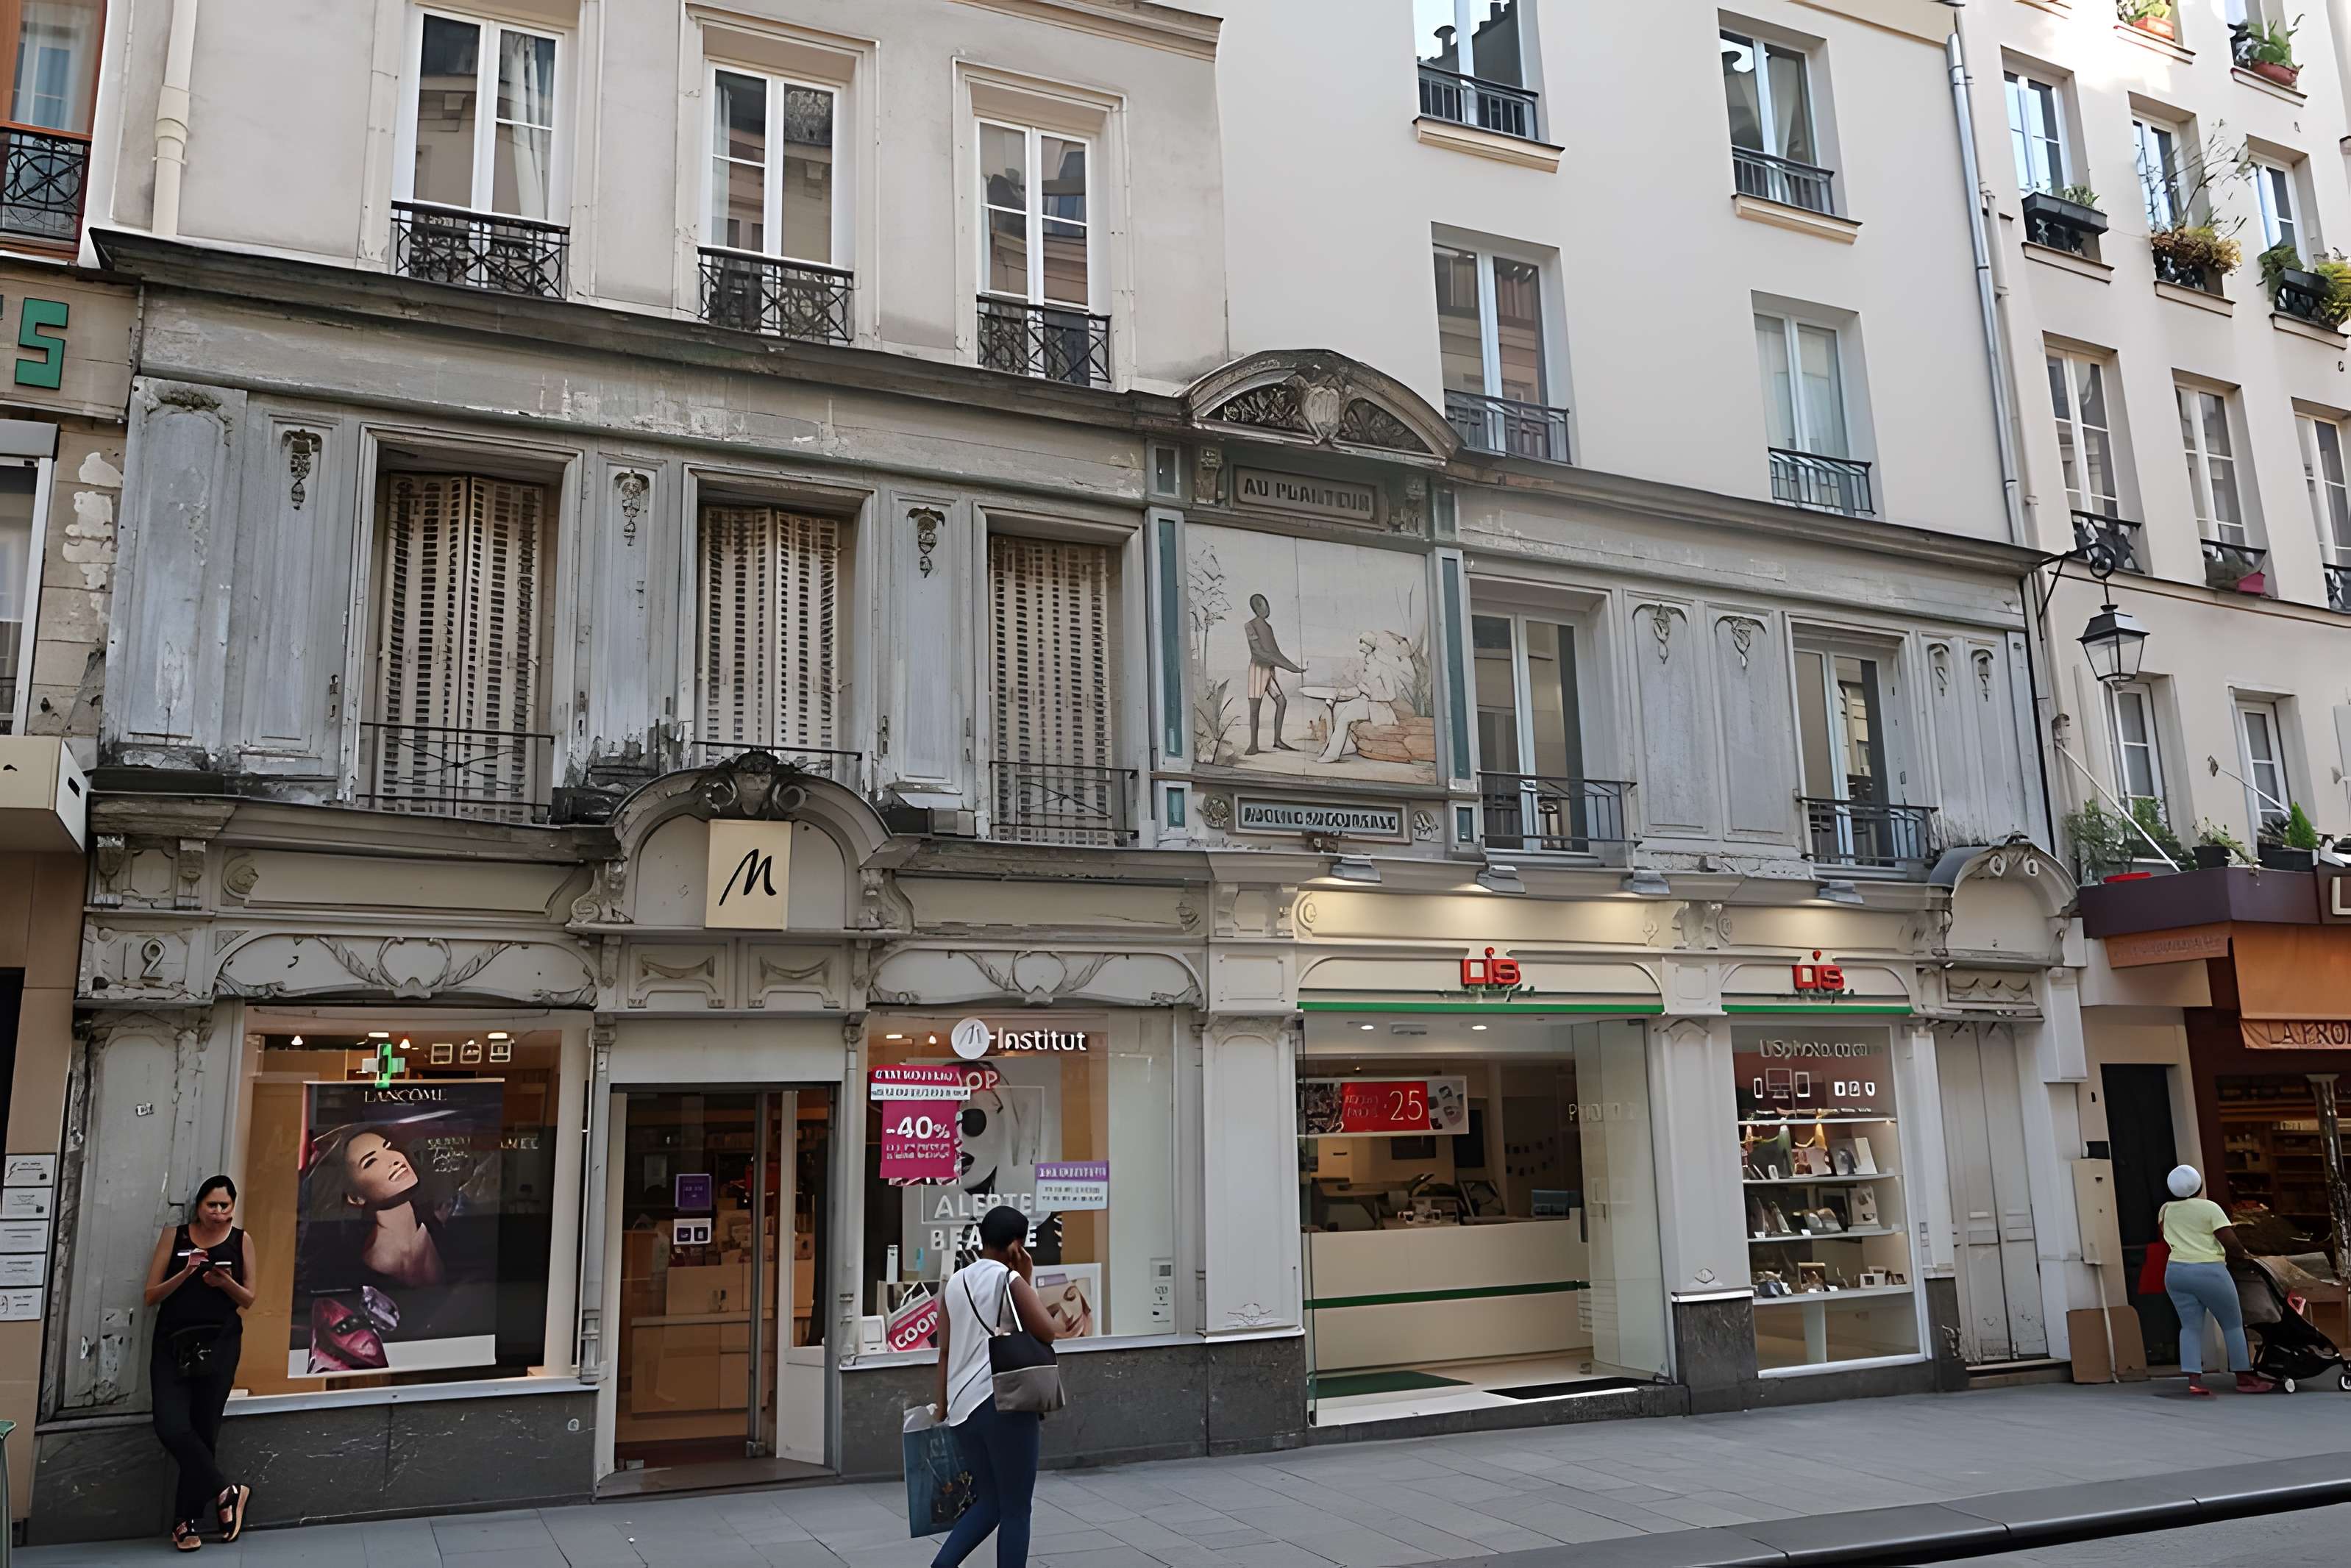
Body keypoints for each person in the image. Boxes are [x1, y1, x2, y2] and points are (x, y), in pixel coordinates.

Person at [929, 1205, 1067, 1568]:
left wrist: (942, 1408)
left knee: (989, 1503)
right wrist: (1025, 1276)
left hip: (963, 1411)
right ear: (1016, 1245)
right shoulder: (1008, 1280)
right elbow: (1048, 1332)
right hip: (1004, 1403)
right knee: (1017, 1509)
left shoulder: (954, 1284)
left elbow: (943, 1352)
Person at [142, 1175, 256, 1550]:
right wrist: (188, 1271)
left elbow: (249, 1298)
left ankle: (184, 1522)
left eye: (226, 1206)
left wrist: (223, 1282)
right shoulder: (175, 1237)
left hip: (220, 1343)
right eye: (212, 1205)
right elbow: (150, 1295)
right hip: (173, 1345)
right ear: (199, 1206)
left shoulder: (242, 1241)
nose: (219, 1213)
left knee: (204, 1432)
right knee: (172, 1427)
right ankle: (227, 1491)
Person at [2159, 1164, 2274, 1396]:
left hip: (2176, 1272)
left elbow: (2165, 1235)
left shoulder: (2166, 1209)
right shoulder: (2210, 1208)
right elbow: (2229, 1241)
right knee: (2232, 1325)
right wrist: (2245, 1258)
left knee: (2190, 1326)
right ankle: (2244, 1378)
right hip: (2209, 1271)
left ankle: (2194, 1380)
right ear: (2199, 1185)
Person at [1242, 593, 1307, 755]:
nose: (1267, 608)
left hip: (1269, 669)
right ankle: (1253, 745)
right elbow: (1258, 653)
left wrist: (1293, 667)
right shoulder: (1250, 625)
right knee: (1255, 709)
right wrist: (1288, 667)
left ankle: (1277, 740)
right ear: (1257, 608)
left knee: (1282, 702)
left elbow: (1275, 652)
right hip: (1258, 670)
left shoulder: (1268, 628)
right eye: (1263, 605)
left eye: (1267, 604)